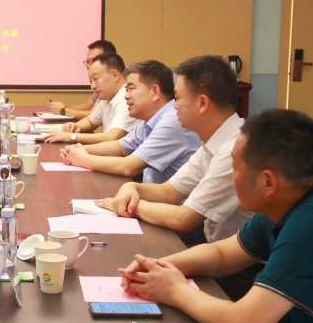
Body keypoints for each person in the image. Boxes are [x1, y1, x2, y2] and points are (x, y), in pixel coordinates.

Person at [118, 109, 313, 323]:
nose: (231, 175)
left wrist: (173, 289)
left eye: (235, 167)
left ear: (267, 182)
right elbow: (222, 254)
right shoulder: (292, 201)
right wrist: (160, 267)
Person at [95, 55, 254, 245]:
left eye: (177, 99)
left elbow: (183, 219)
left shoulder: (233, 151)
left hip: (236, 259)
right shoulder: (212, 143)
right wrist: (131, 187)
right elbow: (168, 191)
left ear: (202, 104)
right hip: (215, 245)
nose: (174, 106)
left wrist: (128, 205)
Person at [59, 60, 200, 183]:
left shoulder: (172, 120)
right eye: (126, 90)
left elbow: (128, 167)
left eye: (131, 89)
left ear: (155, 92)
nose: (126, 96)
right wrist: (78, 150)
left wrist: (82, 158)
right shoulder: (149, 120)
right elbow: (120, 147)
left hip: (167, 204)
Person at [44, 52, 139, 145]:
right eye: (90, 81)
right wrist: (74, 126)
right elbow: (91, 121)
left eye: (96, 79)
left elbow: (113, 137)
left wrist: (72, 137)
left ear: (115, 75)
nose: (92, 86)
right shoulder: (108, 97)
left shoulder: (126, 100)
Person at [47, 39, 116, 120]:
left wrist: (63, 110)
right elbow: (88, 106)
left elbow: (92, 115)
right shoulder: (98, 83)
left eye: (93, 61)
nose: (89, 65)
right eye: (87, 61)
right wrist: (63, 107)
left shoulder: (108, 84)